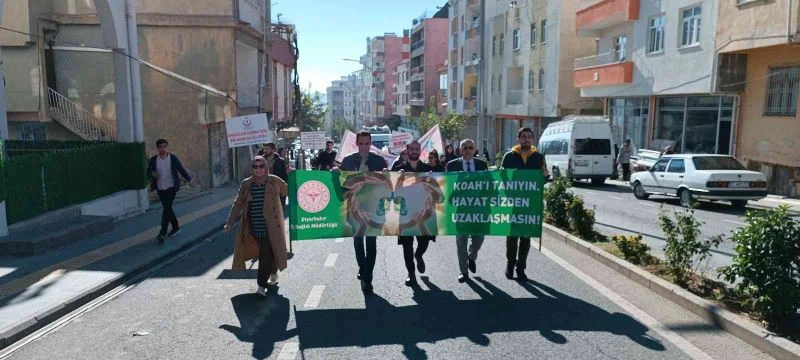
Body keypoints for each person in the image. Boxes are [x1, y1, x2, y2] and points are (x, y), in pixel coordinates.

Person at [224, 156, 289, 297]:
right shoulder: (246, 184)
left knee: (265, 253)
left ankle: (261, 285)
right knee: (266, 253)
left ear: (266, 168)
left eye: (261, 166)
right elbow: (238, 204)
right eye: (255, 166)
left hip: (271, 227)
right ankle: (273, 271)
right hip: (253, 226)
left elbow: (290, 190)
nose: (258, 169)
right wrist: (229, 223)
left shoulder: (275, 181)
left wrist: (295, 176)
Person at [335, 131, 388, 293]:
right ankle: (363, 267)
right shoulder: (348, 161)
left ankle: (368, 277)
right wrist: (336, 174)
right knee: (358, 242)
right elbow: (341, 186)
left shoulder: (379, 161)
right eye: (361, 143)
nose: (364, 146)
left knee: (371, 244)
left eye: (367, 143)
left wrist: (387, 176)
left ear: (370, 143)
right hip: (354, 208)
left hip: (373, 209)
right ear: (356, 144)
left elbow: (387, 186)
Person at [500, 127, 549, 281]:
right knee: (512, 236)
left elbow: (544, 179)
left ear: (532, 139)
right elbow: (502, 177)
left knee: (526, 237)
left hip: (531, 204)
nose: (526, 139)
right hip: (514, 203)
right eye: (523, 137)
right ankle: (510, 264)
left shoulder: (538, 157)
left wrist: (545, 174)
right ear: (518, 139)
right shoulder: (509, 157)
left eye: (529, 137)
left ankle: (521, 268)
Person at [391, 141, 435, 286]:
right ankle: (411, 274)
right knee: (407, 245)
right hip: (405, 214)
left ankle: (419, 255)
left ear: (420, 151)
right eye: (412, 149)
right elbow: (391, 193)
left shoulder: (428, 169)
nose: (414, 151)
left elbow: (438, 190)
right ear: (407, 151)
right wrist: (398, 179)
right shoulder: (399, 169)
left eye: (417, 149)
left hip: (424, 213)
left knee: (424, 240)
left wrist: (433, 179)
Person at [446, 139, 488, 283]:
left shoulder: (482, 165)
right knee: (461, 242)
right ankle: (463, 272)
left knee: (479, 239)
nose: (468, 150)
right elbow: (447, 187)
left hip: (479, 211)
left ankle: (472, 256)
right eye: (465, 148)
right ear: (460, 150)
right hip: (460, 211)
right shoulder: (452, 166)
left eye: (471, 147)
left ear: (474, 149)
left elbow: (488, 185)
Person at [147, 139, 196, 244]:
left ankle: (162, 233)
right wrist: (152, 175)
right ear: (157, 148)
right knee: (167, 208)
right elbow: (148, 172)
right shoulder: (153, 160)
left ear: (167, 147)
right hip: (160, 188)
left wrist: (189, 180)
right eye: (160, 147)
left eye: (164, 146)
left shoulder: (173, 158)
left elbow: (181, 170)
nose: (162, 149)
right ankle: (175, 227)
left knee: (166, 208)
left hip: (171, 187)